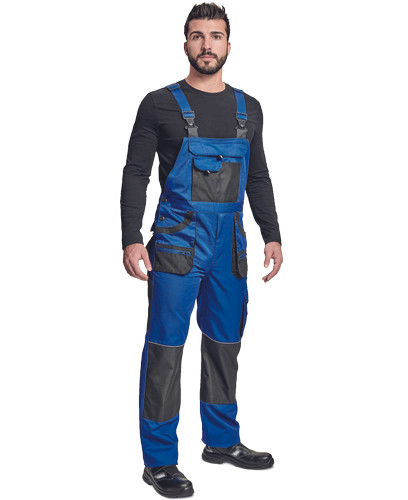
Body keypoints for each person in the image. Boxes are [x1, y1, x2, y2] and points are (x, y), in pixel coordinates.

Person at [120, 3, 283, 497]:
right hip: (176, 242)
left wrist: (272, 233)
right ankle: (159, 461)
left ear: (229, 44)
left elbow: (257, 175)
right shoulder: (158, 104)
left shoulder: (249, 108)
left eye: (215, 35)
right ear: (186, 43)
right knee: (166, 349)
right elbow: (136, 172)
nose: (206, 44)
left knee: (224, 344)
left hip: (229, 243)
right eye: (197, 35)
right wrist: (130, 237)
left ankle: (221, 441)